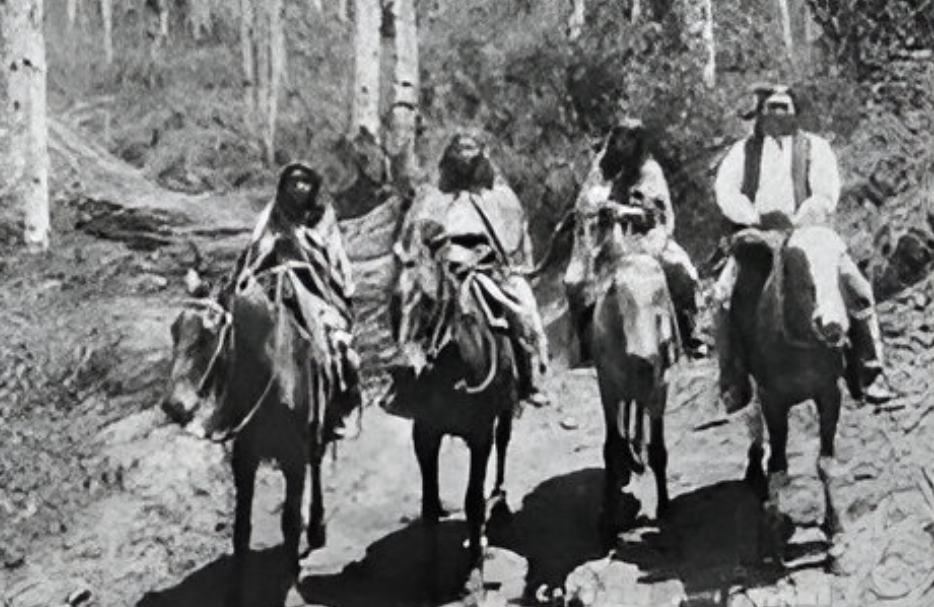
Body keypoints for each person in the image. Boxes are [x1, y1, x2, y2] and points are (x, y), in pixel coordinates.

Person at [713, 84, 895, 410]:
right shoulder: (743, 151)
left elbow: (826, 194)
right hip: (758, 234)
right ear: (761, 112)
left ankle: (870, 372)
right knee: (722, 296)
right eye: (771, 107)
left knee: (857, 288)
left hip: (808, 232)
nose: (778, 114)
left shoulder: (815, 148)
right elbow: (727, 193)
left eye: (785, 107)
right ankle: (733, 381)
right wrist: (752, 217)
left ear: (796, 111)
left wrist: (799, 217)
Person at [392, 131, 549, 406]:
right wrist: (429, 246)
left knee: (524, 307)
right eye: (461, 149)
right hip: (444, 267)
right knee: (409, 295)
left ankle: (528, 378)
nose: (466, 155)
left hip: (490, 267)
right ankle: (408, 366)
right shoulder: (433, 196)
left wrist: (505, 260)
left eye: (471, 149)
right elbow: (415, 233)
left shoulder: (500, 196)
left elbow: (513, 235)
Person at [225, 162, 363, 438]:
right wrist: (267, 253)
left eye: (307, 183)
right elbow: (254, 248)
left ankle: (338, 406)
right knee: (238, 326)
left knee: (333, 342)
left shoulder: (323, 217)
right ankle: (227, 404)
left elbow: (334, 254)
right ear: (284, 186)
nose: (300, 188)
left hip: (314, 287)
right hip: (273, 282)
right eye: (295, 183)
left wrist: (344, 285)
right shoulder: (272, 213)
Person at [565, 119, 704, 361]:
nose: (624, 144)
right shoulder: (602, 168)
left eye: (630, 138)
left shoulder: (649, 170)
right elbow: (585, 201)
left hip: (645, 237)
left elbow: (657, 211)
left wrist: (624, 211)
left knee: (682, 270)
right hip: (604, 239)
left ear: (639, 142)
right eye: (620, 137)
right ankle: (586, 346)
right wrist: (595, 209)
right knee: (574, 282)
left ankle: (690, 333)